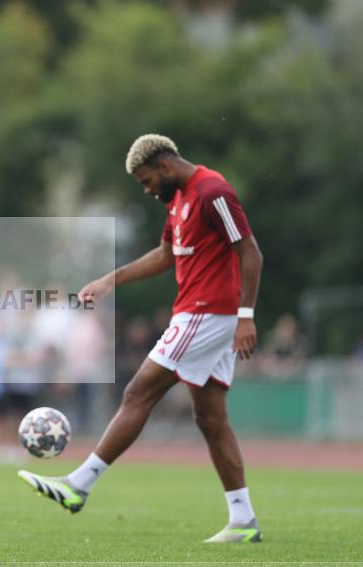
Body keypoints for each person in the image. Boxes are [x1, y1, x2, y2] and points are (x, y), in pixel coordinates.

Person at [18, 134, 265, 543]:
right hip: (199, 313)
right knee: (210, 419)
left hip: (206, 313)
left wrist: (246, 317)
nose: (148, 190)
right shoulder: (178, 199)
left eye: (147, 180)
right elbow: (166, 256)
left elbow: (251, 252)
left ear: (165, 165)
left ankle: (78, 485)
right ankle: (243, 519)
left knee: (138, 393)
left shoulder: (212, 191)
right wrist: (109, 280)